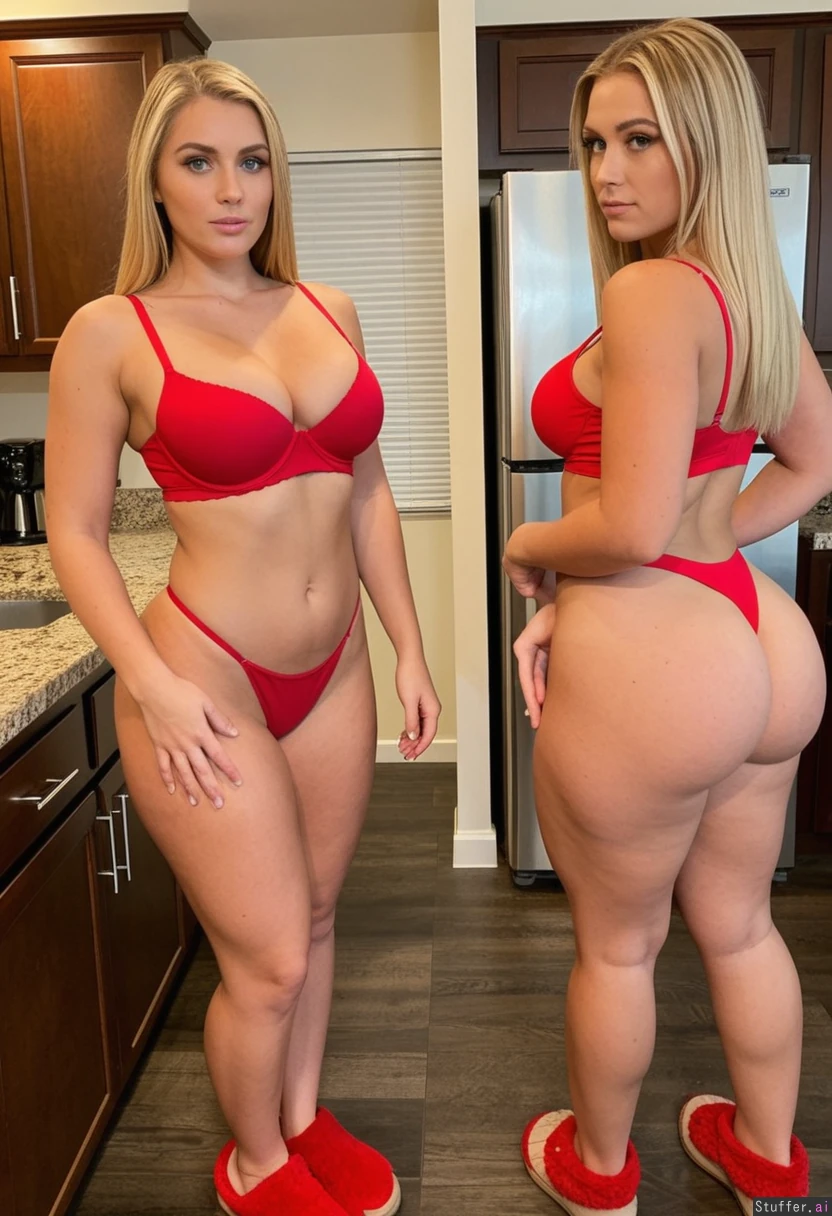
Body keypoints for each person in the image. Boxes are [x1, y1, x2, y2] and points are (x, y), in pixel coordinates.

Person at [46, 57, 440, 1216]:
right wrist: (151, 684)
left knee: (315, 916)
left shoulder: (329, 309)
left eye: (253, 161)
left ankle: (301, 1118)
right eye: (200, 162)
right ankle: (254, 1160)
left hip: (335, 669)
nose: (232, 190)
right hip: (203, 674)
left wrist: (409, 645)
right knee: (267, 958)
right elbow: (74, 532)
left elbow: (366, 490)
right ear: (155, 182)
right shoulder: (110, 331)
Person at [502, 17, 832, 1216]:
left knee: (619, 946)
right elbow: (812, 460)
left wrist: (526, 546)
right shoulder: (747, 295)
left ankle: (596, 1174)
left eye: (640, 139)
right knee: (738, 927)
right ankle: (769, 1161)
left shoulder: (646, 293)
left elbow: (633, 528)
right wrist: (714, 542)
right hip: (760, 641)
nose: (605, 169)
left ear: (708, 141)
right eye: (595, 141)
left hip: (653, 658)